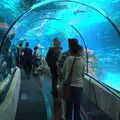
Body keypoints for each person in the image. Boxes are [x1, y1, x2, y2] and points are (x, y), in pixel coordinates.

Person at [62, 42, 84, 120]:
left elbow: (63, 72)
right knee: (77, 107)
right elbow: (82, 74)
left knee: (69, 107)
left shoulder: (68, 59)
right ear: (78, 51)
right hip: (79, 87)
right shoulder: (82, 60)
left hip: (69, 87)